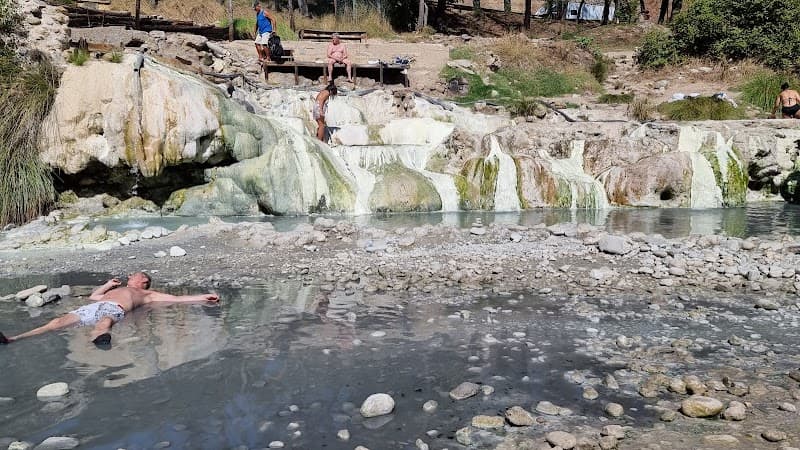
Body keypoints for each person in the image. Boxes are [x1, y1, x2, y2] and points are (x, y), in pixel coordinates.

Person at [0, 272, 219, 346]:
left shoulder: (147, 294)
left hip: (114, 308)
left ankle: (99, 337)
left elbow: (177, 299)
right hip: (94, 305)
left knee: (105, 322)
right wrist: (107, 285)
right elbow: (94, 296)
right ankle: (13, 339)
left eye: (135, 275)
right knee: (55, 323)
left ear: (143, 280)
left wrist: (202, 297)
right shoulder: (118, 287)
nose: (130, 276)